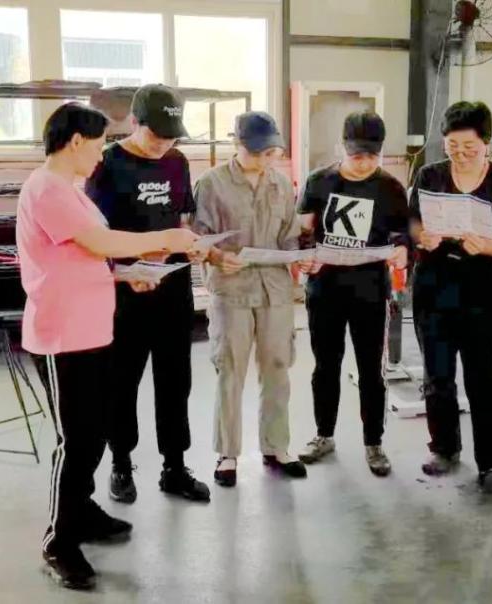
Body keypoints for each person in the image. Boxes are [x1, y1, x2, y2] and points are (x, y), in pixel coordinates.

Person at [17, 102, 198, 589]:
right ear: (76, 142)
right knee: (75, 440)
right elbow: (100, 242)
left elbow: (86, 255)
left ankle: (82, 510)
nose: (101, 156)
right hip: (62, 335)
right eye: (97, 146)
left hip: (93, 330)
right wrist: (167, 237)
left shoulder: (71, 192)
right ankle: (59, 540)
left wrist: (124, 274)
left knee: (94, 432)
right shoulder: (46, 189)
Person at [84, 84, 210, 505]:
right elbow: (94, 234)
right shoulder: (106, 164)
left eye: (171, 137)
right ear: (134, 123)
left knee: (176, 381)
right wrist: (128, 266)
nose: (163, 144)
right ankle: (121, 463)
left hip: (172, 286)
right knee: (122, 381)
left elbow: (180, 219)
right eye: (156, 135)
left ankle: (175, 466)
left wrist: (194, 245)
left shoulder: (177, 162)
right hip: (126, 290)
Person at [408, 101, 492, 493]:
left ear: (487, 143)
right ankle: (444, 447)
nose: (460, 153)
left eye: (469, 147)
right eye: (452, 146)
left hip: (479, 286)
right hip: (433, 284)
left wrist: (490, 246)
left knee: (483, 375)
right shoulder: (430, 175)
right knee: (437, 373)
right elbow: (413, 220)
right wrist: (422, 236)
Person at [193, 112, 307, 485]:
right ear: (237, 144)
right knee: (231, 369)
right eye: (256, 152)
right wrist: (215, 256)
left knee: (277, 366)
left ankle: (276, 446)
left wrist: (300, 257)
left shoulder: (281, 184)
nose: (264, 159)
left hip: (275, 290)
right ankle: (227, 453)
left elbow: (289, 235)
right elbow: (198, 236)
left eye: (270, 152)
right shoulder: (211, 184)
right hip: (232, 290)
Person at [295, 110, 410, 476]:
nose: (363, 163)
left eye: (372, 156)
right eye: (356, 155)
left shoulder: (390, 188)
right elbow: (303, 230)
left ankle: (374, 442)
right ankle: (323, 435)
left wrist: (401, 250)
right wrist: (304, 256)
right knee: (325, 366)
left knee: (370, 371)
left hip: (370, 291)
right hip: (325, 289)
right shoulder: (319, 182)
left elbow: (402, 234)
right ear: (341, 148)